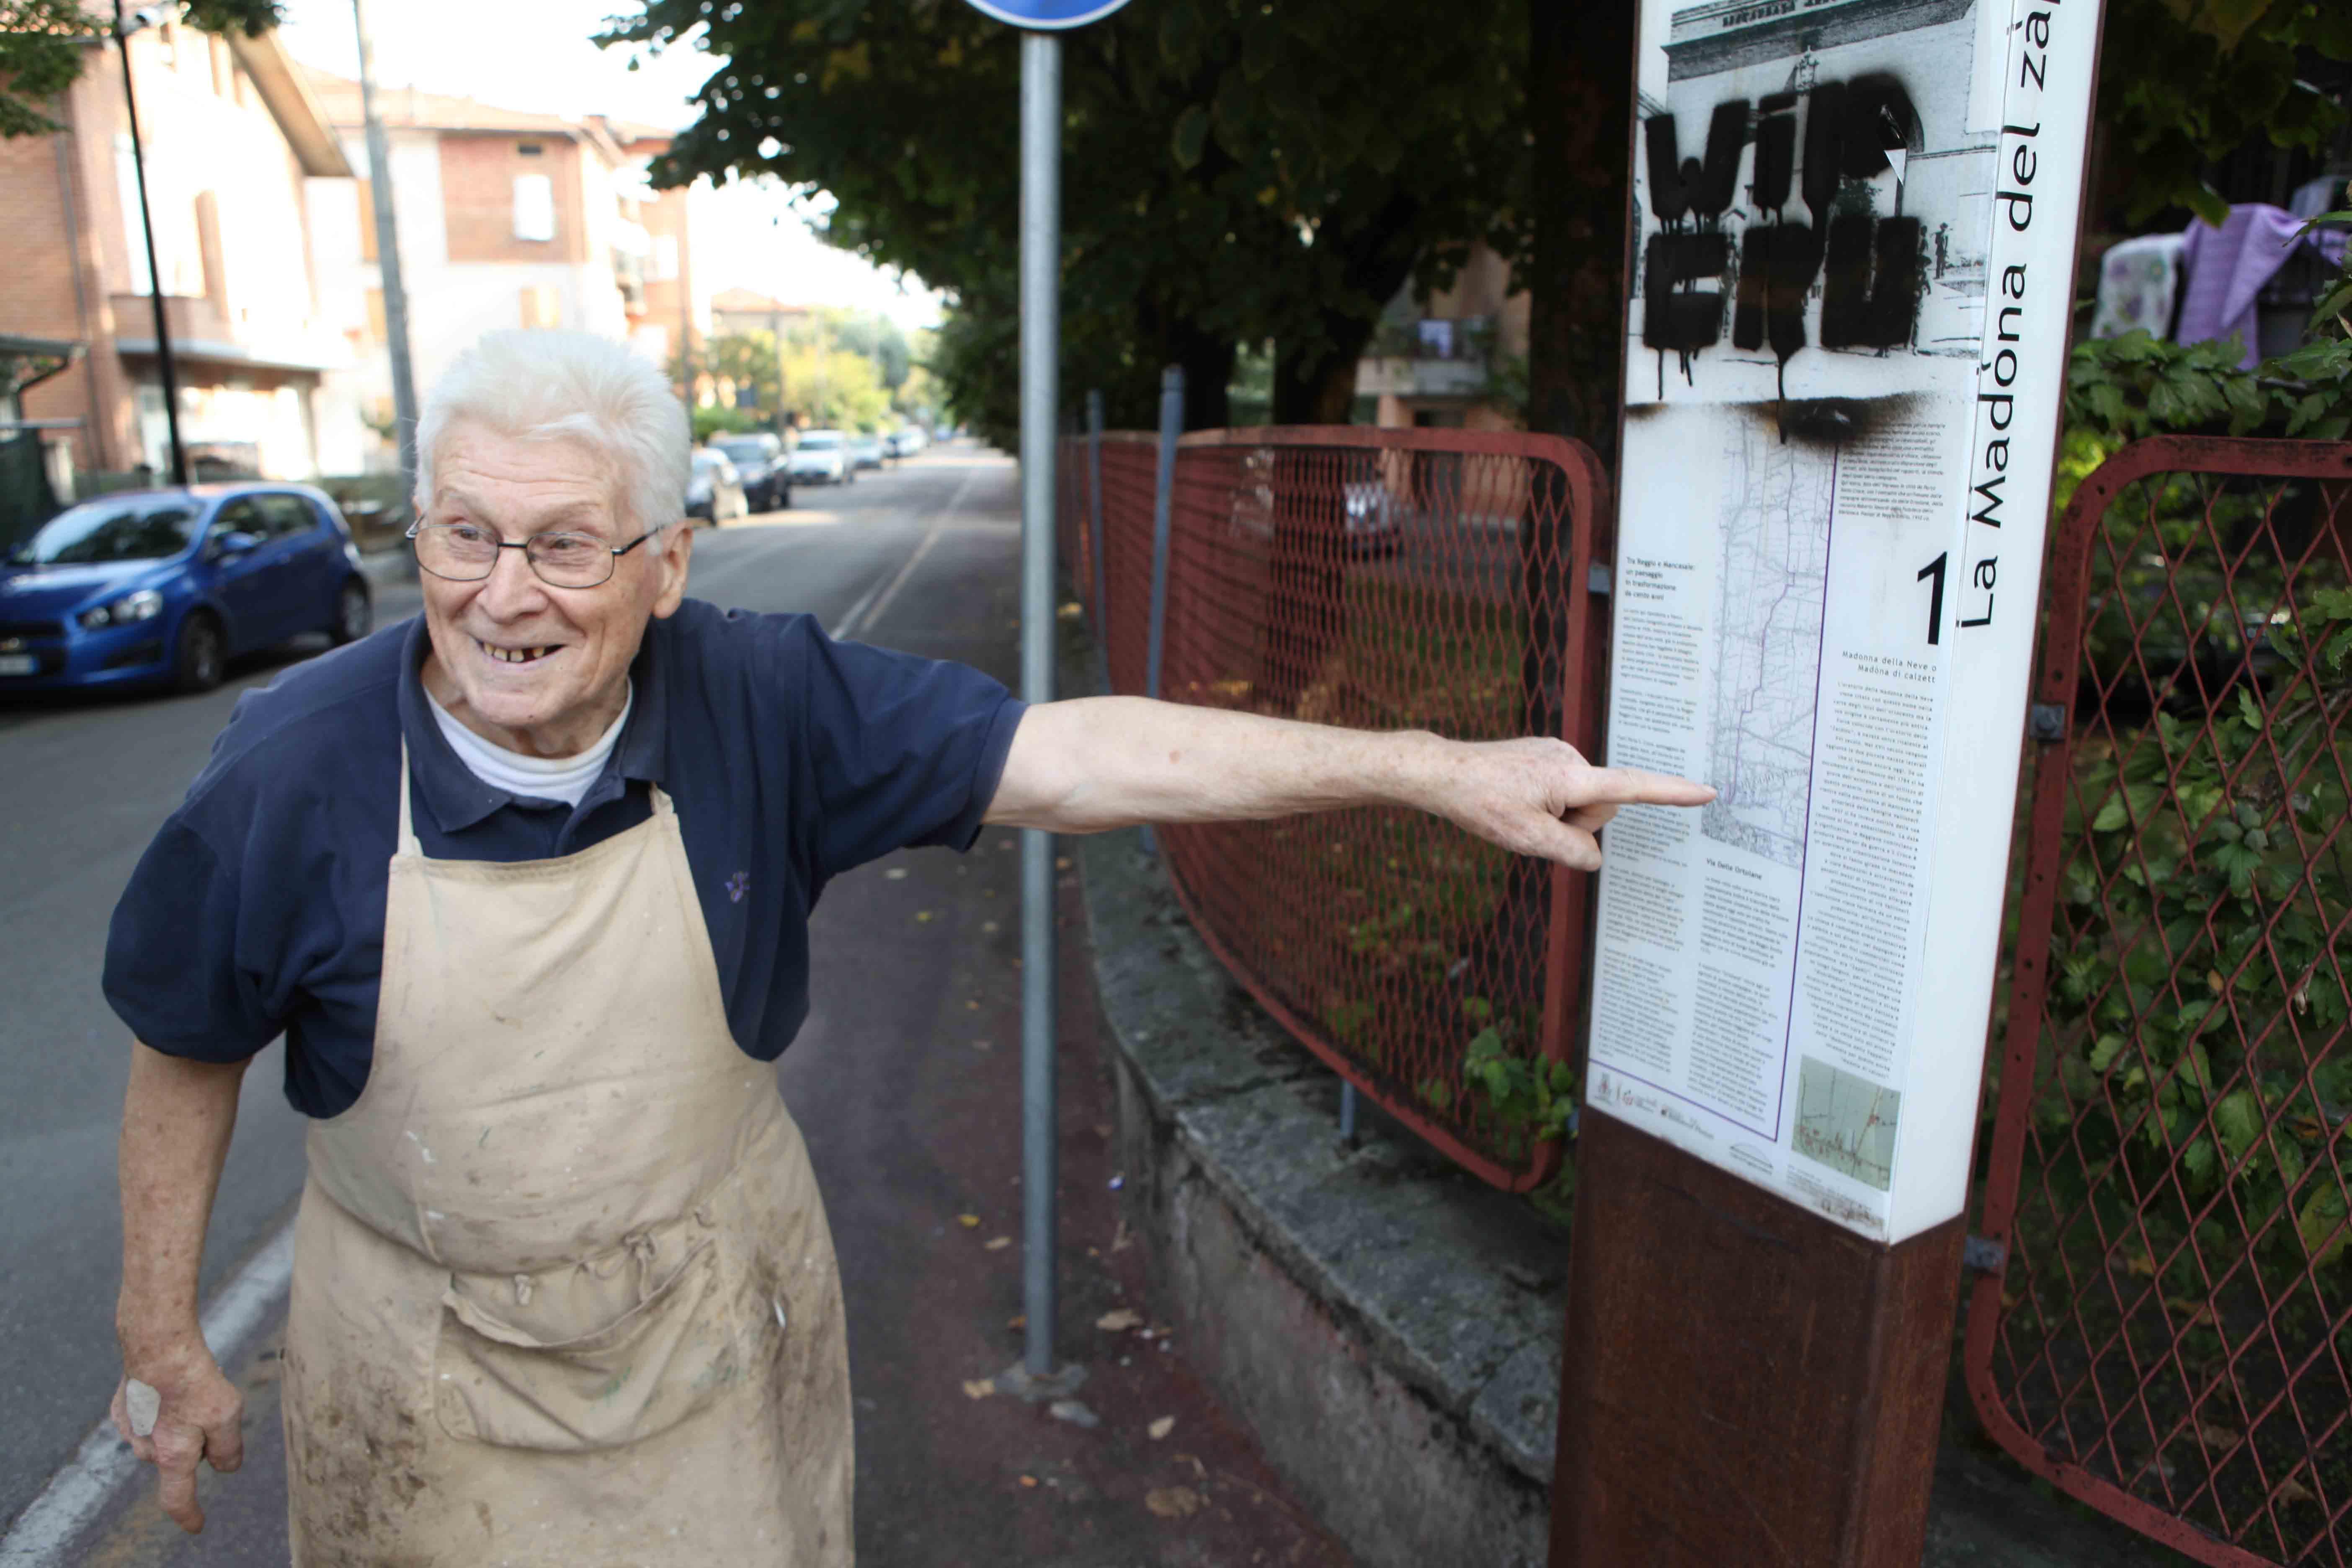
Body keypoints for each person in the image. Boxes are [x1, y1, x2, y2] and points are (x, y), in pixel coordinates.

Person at [102, 329, 1711, 1564]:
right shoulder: (292, 767)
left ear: (666, 566)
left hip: (708, 1333)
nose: (503, 597)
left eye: (566, 546)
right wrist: (165, 1337)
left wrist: (1440, 771)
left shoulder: (770, 701)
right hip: (418, 1358)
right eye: (463, 537)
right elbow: (186, 1038)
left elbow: (1084, 761)